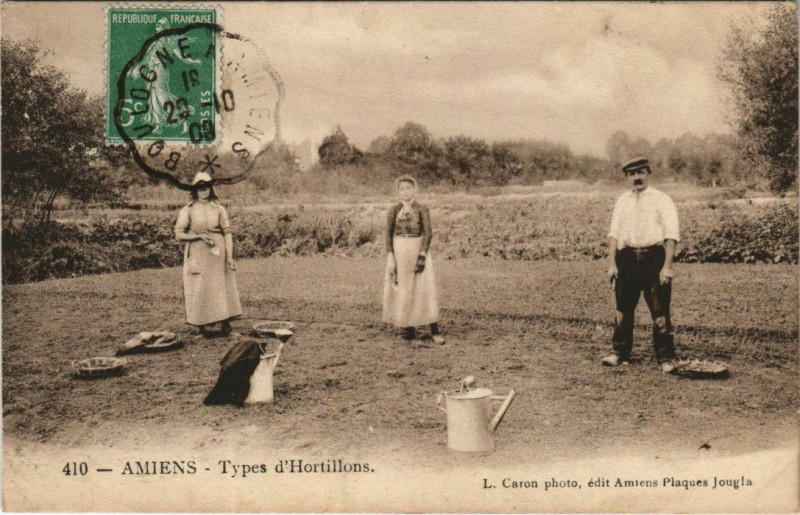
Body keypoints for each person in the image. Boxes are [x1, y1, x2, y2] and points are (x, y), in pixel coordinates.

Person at [603, 157, 680, 373]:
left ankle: (665, 357)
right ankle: (619, 352)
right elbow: (614, 233)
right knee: (622, 311)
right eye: (632, 174)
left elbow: (671, 235)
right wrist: (612, 264)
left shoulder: (662, 199)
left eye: (640, 172)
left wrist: (666, 267)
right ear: (627, 177)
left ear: (648, 173)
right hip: (626, 259)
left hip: (653, 258)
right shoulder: (622, 201)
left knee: (660, 311)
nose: (637, 177)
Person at [175, 172, 242, 337]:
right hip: (198, 252)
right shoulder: (188, 210)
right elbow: (179, 234)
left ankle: (226, 325)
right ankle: (200, 327)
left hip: (217, 253)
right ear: (195, 190)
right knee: (199, 287)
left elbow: (227, 232)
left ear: (211, 189)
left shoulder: (219, 209)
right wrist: (198, 236)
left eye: (206, 188)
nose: (203, 191)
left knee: (222, 286)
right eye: (200, 188)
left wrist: (230, 256)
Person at [382, 175, 445, 345]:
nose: (405, 192)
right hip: (400, 250)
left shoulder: (422, 209)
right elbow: (388, 234)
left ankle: (434, 330)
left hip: (417, 248)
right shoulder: (394, 210)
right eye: (402, 189)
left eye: (408, 188)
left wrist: (422, 255)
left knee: (425, 288)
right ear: (398, 192)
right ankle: (409, 330)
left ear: (414, 190)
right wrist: (391, 256)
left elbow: (428, 232)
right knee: (405, 289)